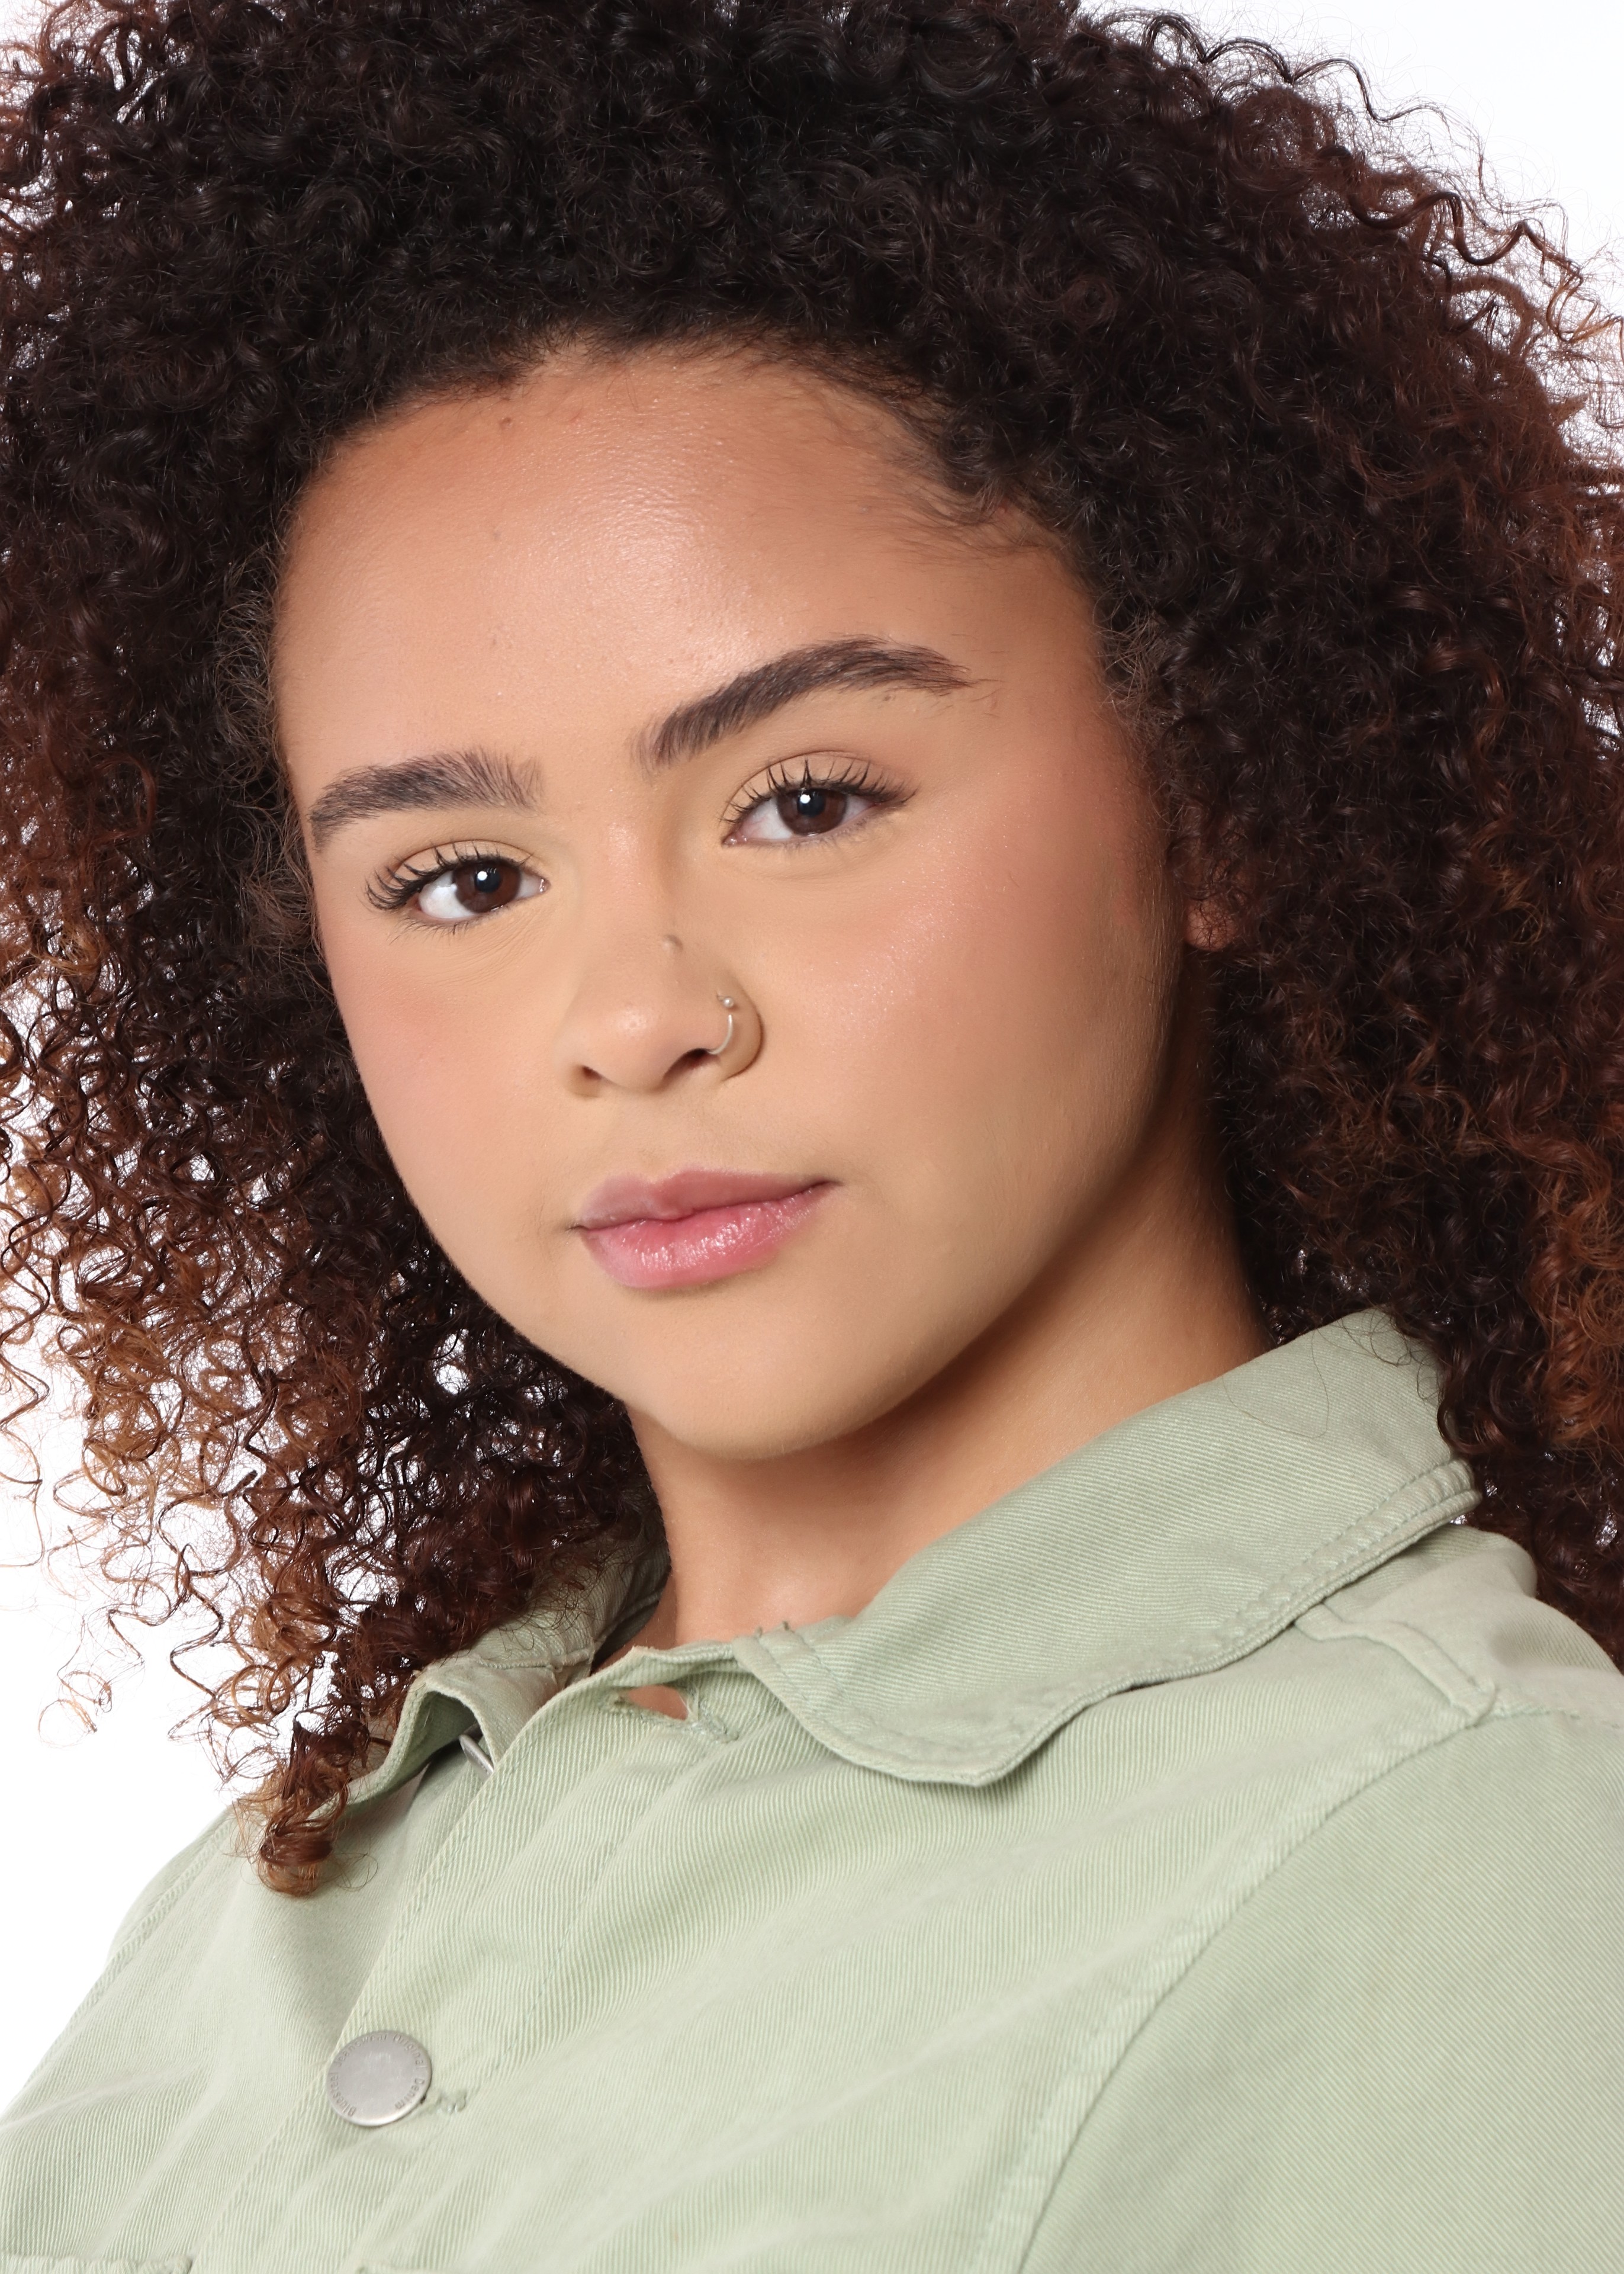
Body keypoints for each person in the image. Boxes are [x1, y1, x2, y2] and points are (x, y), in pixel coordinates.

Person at [2, 0, 1622, 2265]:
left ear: (1220, 790)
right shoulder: (288, 1898)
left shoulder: (1454, 1864)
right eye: (460, 878)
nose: (639, 1019)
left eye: (808, 802)